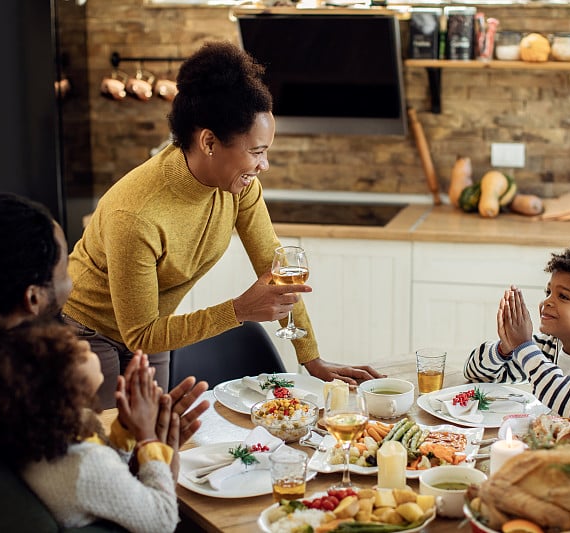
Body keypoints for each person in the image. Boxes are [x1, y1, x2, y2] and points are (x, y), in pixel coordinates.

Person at [62, 40, 382, 408]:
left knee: (160, 439)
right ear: (209, 142)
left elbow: (276, 268)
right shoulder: (136, 214)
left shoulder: (238, 188)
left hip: (154, 328)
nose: (264, 165)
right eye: (256, 152)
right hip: (86, 330)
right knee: (109, 448)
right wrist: (240, 310)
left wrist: (311, 359)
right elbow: (140, 334)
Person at [0, 193, 207, 532]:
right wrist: (159, 462)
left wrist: (137, 449)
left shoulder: (14, 374)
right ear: (33, 298)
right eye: (66, 268)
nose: (73, 282)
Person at [0, 317, 180, 533]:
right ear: (59, 389)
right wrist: (148, 437)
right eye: (74, 352)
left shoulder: (53, 432)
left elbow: (108, 474)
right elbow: (163, 521)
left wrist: (126, 429)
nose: (84, 343)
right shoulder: (84, 465)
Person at [463, 246, 570, 435]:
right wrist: (504, 349)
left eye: (563, 296)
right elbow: (476, 374)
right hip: (552, 452)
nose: (547, 301)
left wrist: (524, 347)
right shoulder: (547, 347)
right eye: (548, 292)